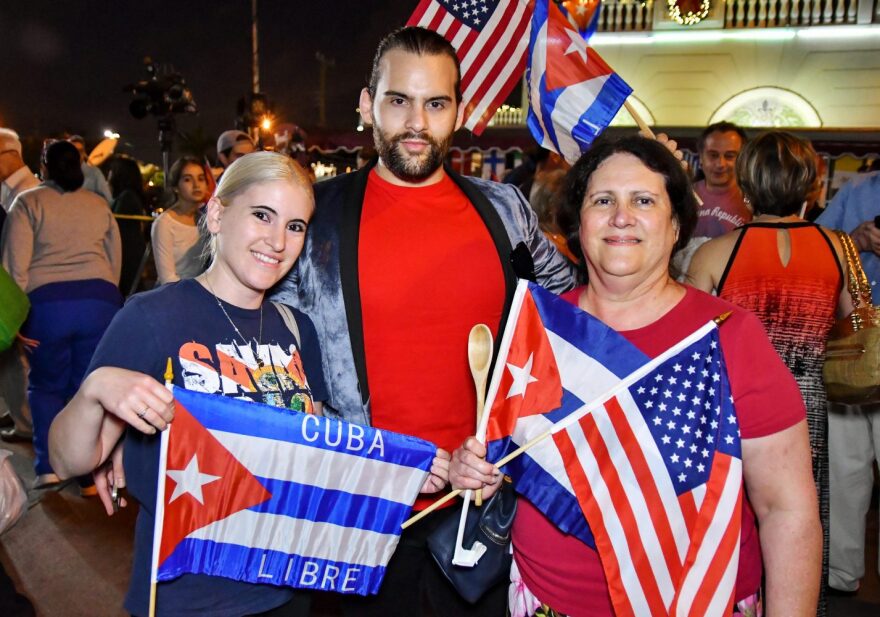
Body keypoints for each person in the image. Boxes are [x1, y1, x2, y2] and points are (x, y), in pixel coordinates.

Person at [272, 26, 574, 617]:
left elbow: (574, 315)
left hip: (480, 511)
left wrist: (637, 188)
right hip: (356, 515)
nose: (416, 122)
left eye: (435, 103)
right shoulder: (316, 218)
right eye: (398, 101)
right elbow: (256, 343)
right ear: (367, 105)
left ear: (458, 110)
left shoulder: (505, 212)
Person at [451, 136, 821, 616]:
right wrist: (474, 470)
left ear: (674, 226)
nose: (620, 216)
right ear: (578, 224)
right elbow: (506, 462)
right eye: (602, 200)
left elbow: (787, 511)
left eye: (643, 201)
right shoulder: (536, 330)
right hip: (545, 603)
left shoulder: (731, 337)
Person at [47, 152, 334, 617]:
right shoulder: (152, 317)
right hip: (186, 595)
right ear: (217, 213)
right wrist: (95, 389)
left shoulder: (298, 328)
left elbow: (312, 452)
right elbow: (67, 458)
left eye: (295, 226)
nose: (278, 241)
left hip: (283, 589)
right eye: (263, 215)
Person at [687, 131, 851, 615]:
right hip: (809, 404)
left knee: (732, 517)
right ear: (810, 185)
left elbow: (695, 345)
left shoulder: (714, 255)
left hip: (737, 406)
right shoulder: (839, 248)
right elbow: (850, 323)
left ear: (747, 184)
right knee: (800, 518)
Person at [1, 140, 122, 489]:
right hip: (100, 301)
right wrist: (104, 298)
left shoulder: (28, 203)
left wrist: (16, 318)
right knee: (86, 389)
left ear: (44, 165)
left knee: (45, 387)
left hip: (49, 307)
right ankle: (86, 474)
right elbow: (114, 259)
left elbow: (15, 268)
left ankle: (49, 467)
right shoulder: (99, 205)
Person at [815, 169, 880, 595]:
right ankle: (841, 572)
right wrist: (854, 240)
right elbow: (813, 247)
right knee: (844, 465)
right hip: (851, 341)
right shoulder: (857, 189)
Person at [0, 128, 39, 442]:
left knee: (18, 361)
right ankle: (19, 413)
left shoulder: (25, 193)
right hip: (17, 291)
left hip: (20, 293)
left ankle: (26, 423)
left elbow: (18, 257)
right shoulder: (12, 191)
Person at [674, 122, 751, 273]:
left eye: (729, 156)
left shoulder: (753, 201)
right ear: (701, 157)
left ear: (742, 159)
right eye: (713, 155)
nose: (720, 164)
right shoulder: (684, 196)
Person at [151, 156, 208, 284]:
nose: (196, 185)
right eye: (187, 179)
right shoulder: (165, 223)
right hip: (172, 294)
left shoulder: (206, 220)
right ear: (176, 187)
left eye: (201, 179)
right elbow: (167, 278)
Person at [107, 155, 148, 295]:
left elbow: (120, 233)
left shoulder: (127, 198)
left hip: (126, 260)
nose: (109, 176)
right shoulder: (129, 197)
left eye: (111, 171)